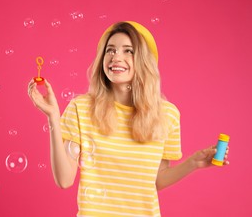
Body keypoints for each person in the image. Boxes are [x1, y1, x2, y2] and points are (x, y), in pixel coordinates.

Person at [27, 21, 229, 216]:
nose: (116, 57)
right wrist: (53, 117)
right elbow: (64, 180)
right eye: (110, 50)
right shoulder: (81, 109)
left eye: (128, 51)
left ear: (143, 60)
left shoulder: (167, 116)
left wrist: (193, 163)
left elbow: (156, 180)